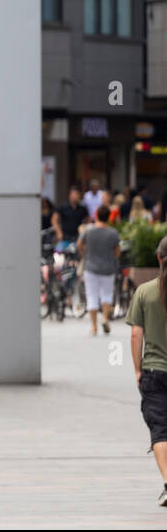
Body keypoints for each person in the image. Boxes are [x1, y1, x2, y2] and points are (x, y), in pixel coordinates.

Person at [128, 235, 167, 507]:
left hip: (154, 371)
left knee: (160, 430)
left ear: (158, 258)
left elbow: (135, 335)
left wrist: (138, 371)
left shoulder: (144, 291)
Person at [78, 204, 120, 337]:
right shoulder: (113, 233)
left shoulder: (88, 230)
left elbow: (79, 243)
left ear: (96, 215)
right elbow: (118, 251)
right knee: (107, 294)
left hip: (91, 267)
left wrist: (84, 254)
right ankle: (106, 318)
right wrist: (111, 257)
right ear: (108, 217)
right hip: (108, 268)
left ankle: (94, 326)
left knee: (92, 296)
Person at [53, 186, 85, 250]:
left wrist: (83, 231)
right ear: (69, 196)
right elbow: (54, 219)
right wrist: (58, 232)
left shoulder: (82, 209)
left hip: (77, 238)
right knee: (58, 254)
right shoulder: (62, 207)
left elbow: (88, 221)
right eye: (74, 194)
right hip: (64, 237)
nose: (75, 196)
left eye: (77, 194)